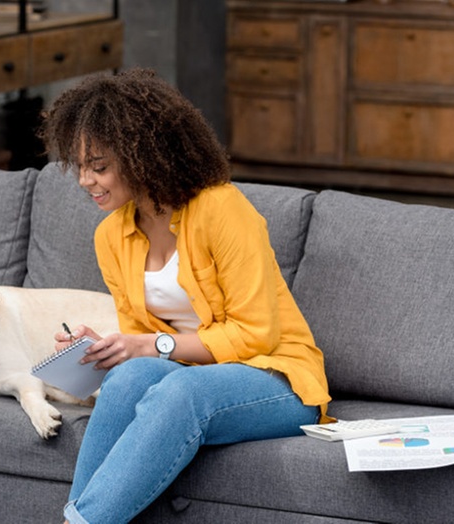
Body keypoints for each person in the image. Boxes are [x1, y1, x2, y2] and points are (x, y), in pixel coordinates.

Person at [39, 68, 332, 524]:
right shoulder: (111, 236)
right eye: (79, 167)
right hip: (187, 375)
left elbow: (257, 334)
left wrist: (151, 346)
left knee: (179, 390)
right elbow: (144, 346)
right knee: (125, 382)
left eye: (99, 166)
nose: (84, 180)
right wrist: (106, 349)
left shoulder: (221, 208)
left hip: (278, 377)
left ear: (143, 157)